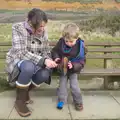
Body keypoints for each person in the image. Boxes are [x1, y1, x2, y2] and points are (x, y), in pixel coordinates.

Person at [5, 8, 57, 117]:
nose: (42, 29)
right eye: (40, 26)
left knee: (45, 74)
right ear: (30, 23)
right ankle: (20, 101)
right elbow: (21, 52)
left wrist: (50, 60)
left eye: (44, 26)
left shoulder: (43, 31)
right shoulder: (18, 28)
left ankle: (25, 92)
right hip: (18, 59)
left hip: (36, 60)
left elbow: (46, 50)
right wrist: (43, 60)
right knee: (28, 67)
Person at [51, 23, 87, 111]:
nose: (68, 43)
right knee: (62, 85)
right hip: (62, 68)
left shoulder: (80, 47)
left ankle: (78, 102)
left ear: (77, 39)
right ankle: (61, 100)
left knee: (74, 86)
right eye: (66, 41)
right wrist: (56, 58)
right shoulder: (61, 43)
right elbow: (54, 51)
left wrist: (74, 66)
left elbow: (82, 61)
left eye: (71, 41)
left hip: (73, 70)